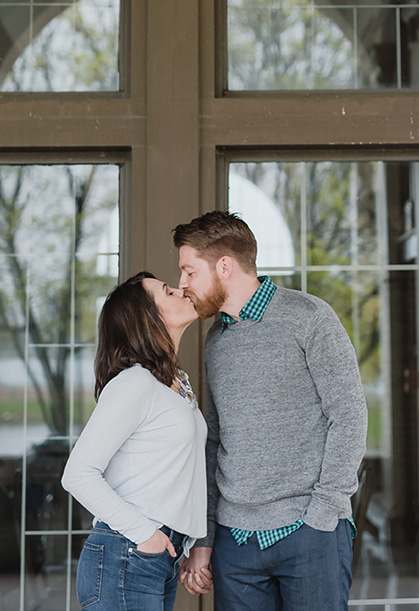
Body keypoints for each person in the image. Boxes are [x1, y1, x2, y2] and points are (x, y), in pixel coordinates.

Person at [173, 210, 368, 610]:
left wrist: (323, 513)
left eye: (190, 272)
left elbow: (349, 415)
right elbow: (214, 442)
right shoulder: (216, 341)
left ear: (224, 266)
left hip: (309, 531)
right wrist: (207, 538)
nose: (182, 284)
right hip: (236, 543)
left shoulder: (309, 318)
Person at [61, 271, 206, 611]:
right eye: (168, 292)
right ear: (147, 320)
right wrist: (146, 535)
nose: (182, 289)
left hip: (153, 555)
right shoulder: (135, 383)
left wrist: (188, 542)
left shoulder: (174, 384)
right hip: (127, 552)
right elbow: (78, 474)